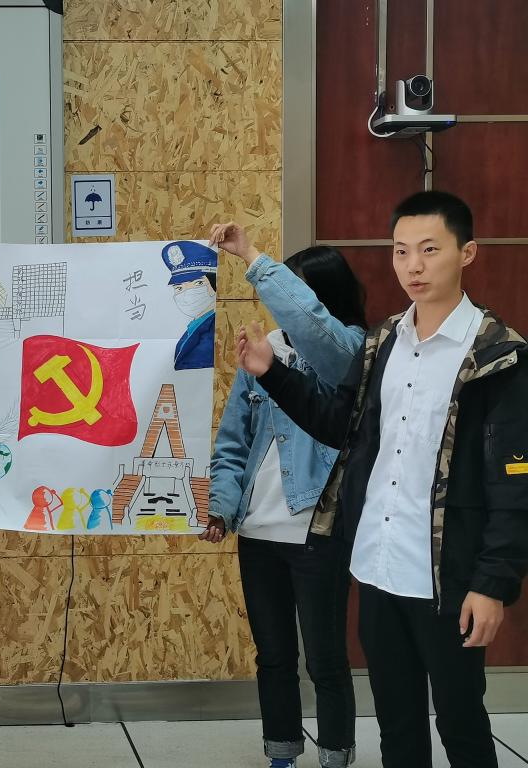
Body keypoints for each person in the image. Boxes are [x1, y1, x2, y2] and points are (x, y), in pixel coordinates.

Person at [236, 191, 528, 768]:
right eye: (401, 251)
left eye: (429, 250)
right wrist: (272, 374)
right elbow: (338, 424)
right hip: (377, 565)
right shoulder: (383, 342)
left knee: (462, 724)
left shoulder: (499, 356)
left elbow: (514, 482)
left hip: (447, 576)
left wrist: (493, 582)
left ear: (467, 253)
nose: (413, 266)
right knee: (396, 726)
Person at [203, 225, 366, 768]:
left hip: (317, 532)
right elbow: (233, 442)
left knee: (325, 659)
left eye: (296, 293)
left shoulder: (351, 351)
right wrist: (222, 507)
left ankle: (336, 754)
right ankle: (281, 754)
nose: (283, 307)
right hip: (258, 534)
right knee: (273, 657)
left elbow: (315, 330)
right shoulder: (264, 350)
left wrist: (251, 255)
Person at [162, 240, 217, 370]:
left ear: (214, 286)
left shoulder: (213, 333)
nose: (186, 294)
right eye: (179, 288)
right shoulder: (193, 328)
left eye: (198, 283)